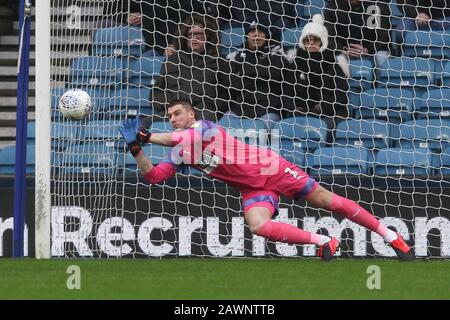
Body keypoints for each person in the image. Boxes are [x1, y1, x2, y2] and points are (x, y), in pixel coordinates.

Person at [119, 100, 415, 261]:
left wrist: (146, 136)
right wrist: (136, 149)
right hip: (252, 188)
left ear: (191, 114)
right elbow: (154, 176)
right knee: (258, 226)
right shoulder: (181, 152)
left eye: (177, 113)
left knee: (329, 202)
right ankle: (324, 241)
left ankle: (389, 234)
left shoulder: (203, 128)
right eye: (169, 115)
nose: (172, 118)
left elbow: (179, 137)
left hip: (272, 169)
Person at [150, 15, 230, 123]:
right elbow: (156, 91)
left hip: (202, 114)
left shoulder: (220, 62)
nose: (194, 38)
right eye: (190, 34)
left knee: (200, 125)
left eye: (199, 34)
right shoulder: (172, 61)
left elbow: (224, 96)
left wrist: (203, 109)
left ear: (208, 36)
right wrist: (170, 107)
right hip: (172, 112)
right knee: (145, 123)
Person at [284, 14, 350, 139]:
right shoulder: (295, 63)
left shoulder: (333, 63)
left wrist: (321, 108)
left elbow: (341, 95)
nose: (311, 43)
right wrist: (293, 109)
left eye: (315, 39)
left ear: (322, 41)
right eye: (308, 39)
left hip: (329, 114)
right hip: (301, 114)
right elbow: (286, 92)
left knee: (322, 128)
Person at [226, 21, 287, 129]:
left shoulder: (277, 52)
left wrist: (246, 71)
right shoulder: (235, 55)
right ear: (247, 35)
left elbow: (275, 75)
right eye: (252, 31)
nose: (256, 35)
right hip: (239, 109)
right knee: (220, 128)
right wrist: (261, 74)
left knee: (262, 131)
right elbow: (232, 84)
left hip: (267, 109)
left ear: (267, 35)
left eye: (261, 31)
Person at [323, 0, 392, 71]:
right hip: (344, 49)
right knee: (332, 58)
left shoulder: (377, 4)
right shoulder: (333, 5)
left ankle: (377, 81)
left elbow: (383, 38)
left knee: (382, 58)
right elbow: (329, 37)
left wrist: (367, 50)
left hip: (372, 49)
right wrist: (344, 49)